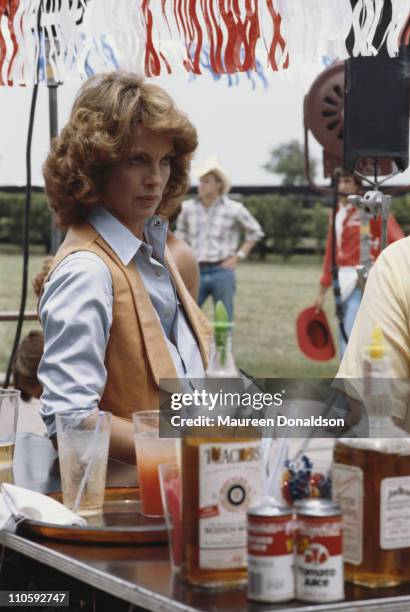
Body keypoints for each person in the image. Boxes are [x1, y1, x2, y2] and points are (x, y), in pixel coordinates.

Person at [38, 71, 211, 463]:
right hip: (123, 506)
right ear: (96, 167)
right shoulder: (88, 269)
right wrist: (188, 447)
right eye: (137, 160)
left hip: (174, 495)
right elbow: (70, 419)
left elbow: (182, 386)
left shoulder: (152, 250)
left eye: (165, 161)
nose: (156, 179)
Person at [314, 173, 404, 356]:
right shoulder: (336, 213)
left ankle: (350, 378)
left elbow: (397, 241)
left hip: (362, 279)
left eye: (347, 181)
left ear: (357, 187)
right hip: (341, 280)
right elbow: (331, 252)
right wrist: (322, 290)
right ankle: (346, 375)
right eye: (339, 181)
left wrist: (382, 269)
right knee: (344, 330)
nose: (342, 185)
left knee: (352, 330)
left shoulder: (371, 210)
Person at [175, 157, 264, 320]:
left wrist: (238, 256)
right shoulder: (187, 208)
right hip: (195, 270)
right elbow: (180, 238)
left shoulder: (235, 209)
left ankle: (224, 347)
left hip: (222, 271)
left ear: (218, 184)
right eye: (200, 181)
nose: (200, 185)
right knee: (187, 319)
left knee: (224, 321)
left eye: (206, 181)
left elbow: (255, 232)